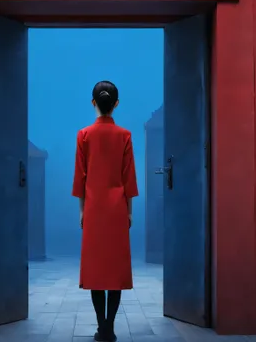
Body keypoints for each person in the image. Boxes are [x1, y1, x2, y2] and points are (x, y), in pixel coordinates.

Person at [72, 81, 139, 342]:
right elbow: (128, 178)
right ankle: (110, 327)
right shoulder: (125, 136)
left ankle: (102, 327)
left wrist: (82, 211)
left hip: (94, 207)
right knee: (115, 269)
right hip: (116, 208)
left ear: (93, 103)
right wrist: (129, 211)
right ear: (116, 104)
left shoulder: (83, 135)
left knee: (97, 269)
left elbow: (81, 178)